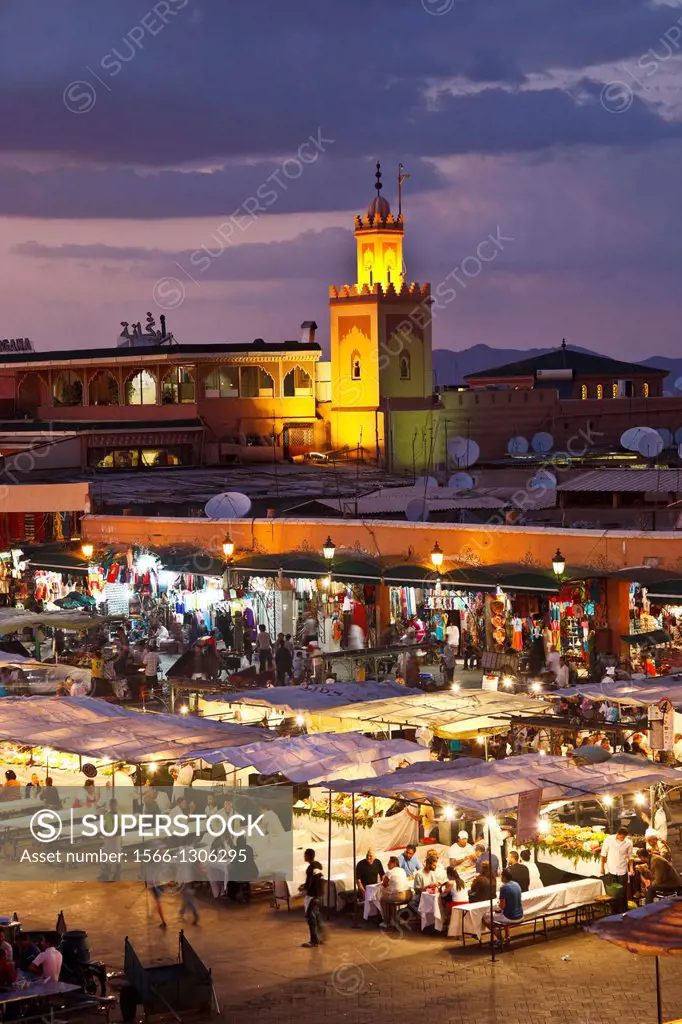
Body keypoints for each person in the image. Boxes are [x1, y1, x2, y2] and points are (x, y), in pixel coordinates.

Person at [485, 868, 524, 945]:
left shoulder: (504, 887)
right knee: (503, 913)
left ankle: (500, 938)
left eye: (501, 876)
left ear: (504, 877)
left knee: (485, 918)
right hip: (521, 915)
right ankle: (507, 937)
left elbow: (502, 907)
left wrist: (496, 908)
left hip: (511, 917)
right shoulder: (517, 884)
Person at [600, 826, 634, 912]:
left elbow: (630, 857)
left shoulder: (628, 843)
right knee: (613, 892)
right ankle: (614, 911)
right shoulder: (609, 840)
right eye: (622, 837)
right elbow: (603, 854)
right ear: (618, 834)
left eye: (624, 837)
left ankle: (623, 910)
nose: (623, 839)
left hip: (622, 870)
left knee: (622, 892)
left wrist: (631, 868)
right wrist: (602, 868)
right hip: (612, 869)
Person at [299, 848, 324, 947]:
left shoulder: (311, 867)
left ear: (308, 856)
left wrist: (306, 889)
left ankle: (314, 940)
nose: (304, 857)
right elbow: (313, 879)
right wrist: (304, 885)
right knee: (316, 917)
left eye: (305, 855)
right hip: (317, 895)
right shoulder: (317, 865)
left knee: (311, 918)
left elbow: (312, 881)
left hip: (313, 896)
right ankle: (319, 937)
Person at [379, 856, 411, 928]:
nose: (387, 864)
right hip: (409, 895)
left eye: (389, 863)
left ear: (394, 863)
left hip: (400, 896)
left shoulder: (389, 872)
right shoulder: (402, 870)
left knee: (383, 899)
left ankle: (386, 922)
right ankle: (393, 920)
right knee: (390, 898)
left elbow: (384, 884)